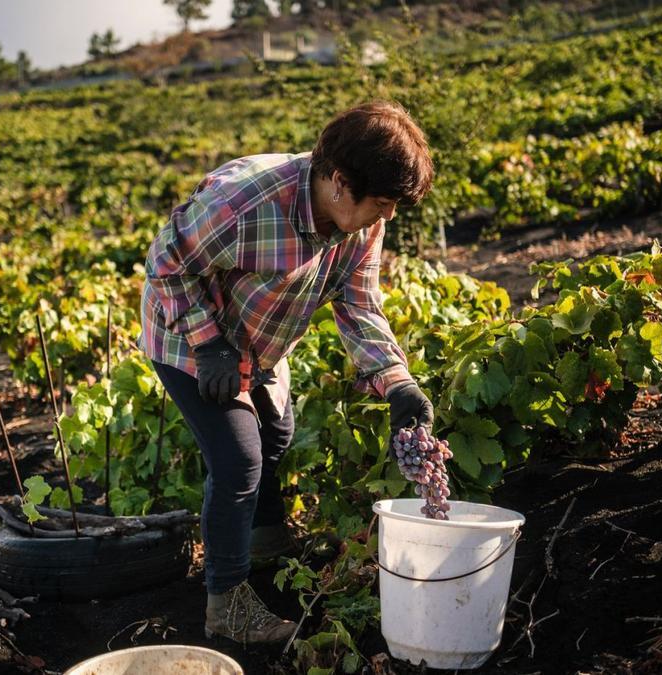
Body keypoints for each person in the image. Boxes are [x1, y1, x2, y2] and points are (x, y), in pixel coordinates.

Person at [139, 101, 436, 645]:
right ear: (341, 183)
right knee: (238, 459)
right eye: (384, 203)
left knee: (276, 434)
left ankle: (264, 542)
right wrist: (209, 345)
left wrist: (398, 382)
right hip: (187, 337)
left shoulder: (359, 225)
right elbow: (165, 265)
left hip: (261, 337)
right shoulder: (245, 203)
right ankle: (226, 604)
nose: (388, 217)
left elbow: (359, 305)